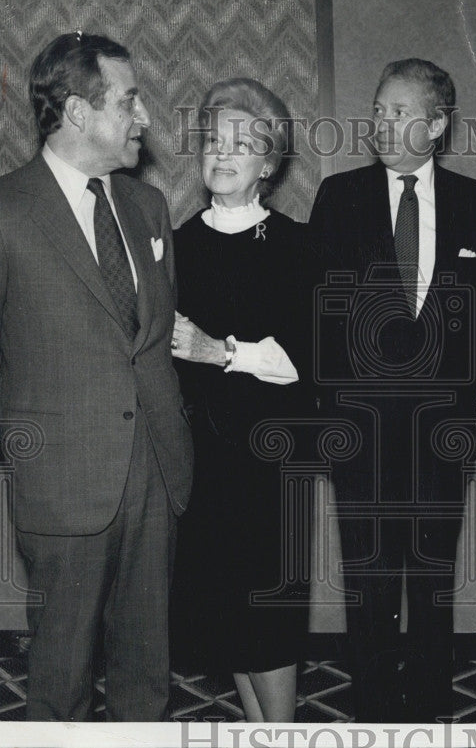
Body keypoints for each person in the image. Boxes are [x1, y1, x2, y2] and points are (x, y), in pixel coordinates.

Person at [0, 32, 193, 720]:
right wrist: (41, 443)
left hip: (157, 476)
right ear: (79, 112)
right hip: (62, 485)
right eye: (129, 101)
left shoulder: (148, 210)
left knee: (147, 676)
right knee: (61, 679)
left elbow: (150, 342)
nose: (143, 118)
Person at [308, 58, 476, 722]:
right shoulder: (339, 198)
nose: (381, 122)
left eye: (398, 110)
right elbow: (320, 319)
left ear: (437, 123)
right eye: (379, 108)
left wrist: (445, 403)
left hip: (438, 436)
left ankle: (426, 716)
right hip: (360, 437)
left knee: (432, 588)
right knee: (366, 590)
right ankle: (369, 717)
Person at [168, 78, 311, 722]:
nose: (222, 155)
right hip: (198, 461)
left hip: (268, 459)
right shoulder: (175, 244)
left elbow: (303, 360)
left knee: (267, 613)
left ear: (269, 163)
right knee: (227, 616)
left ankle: (279, 732)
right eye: (213, 141)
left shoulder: (295, 245)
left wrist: (220, 351)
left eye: (241, 144)